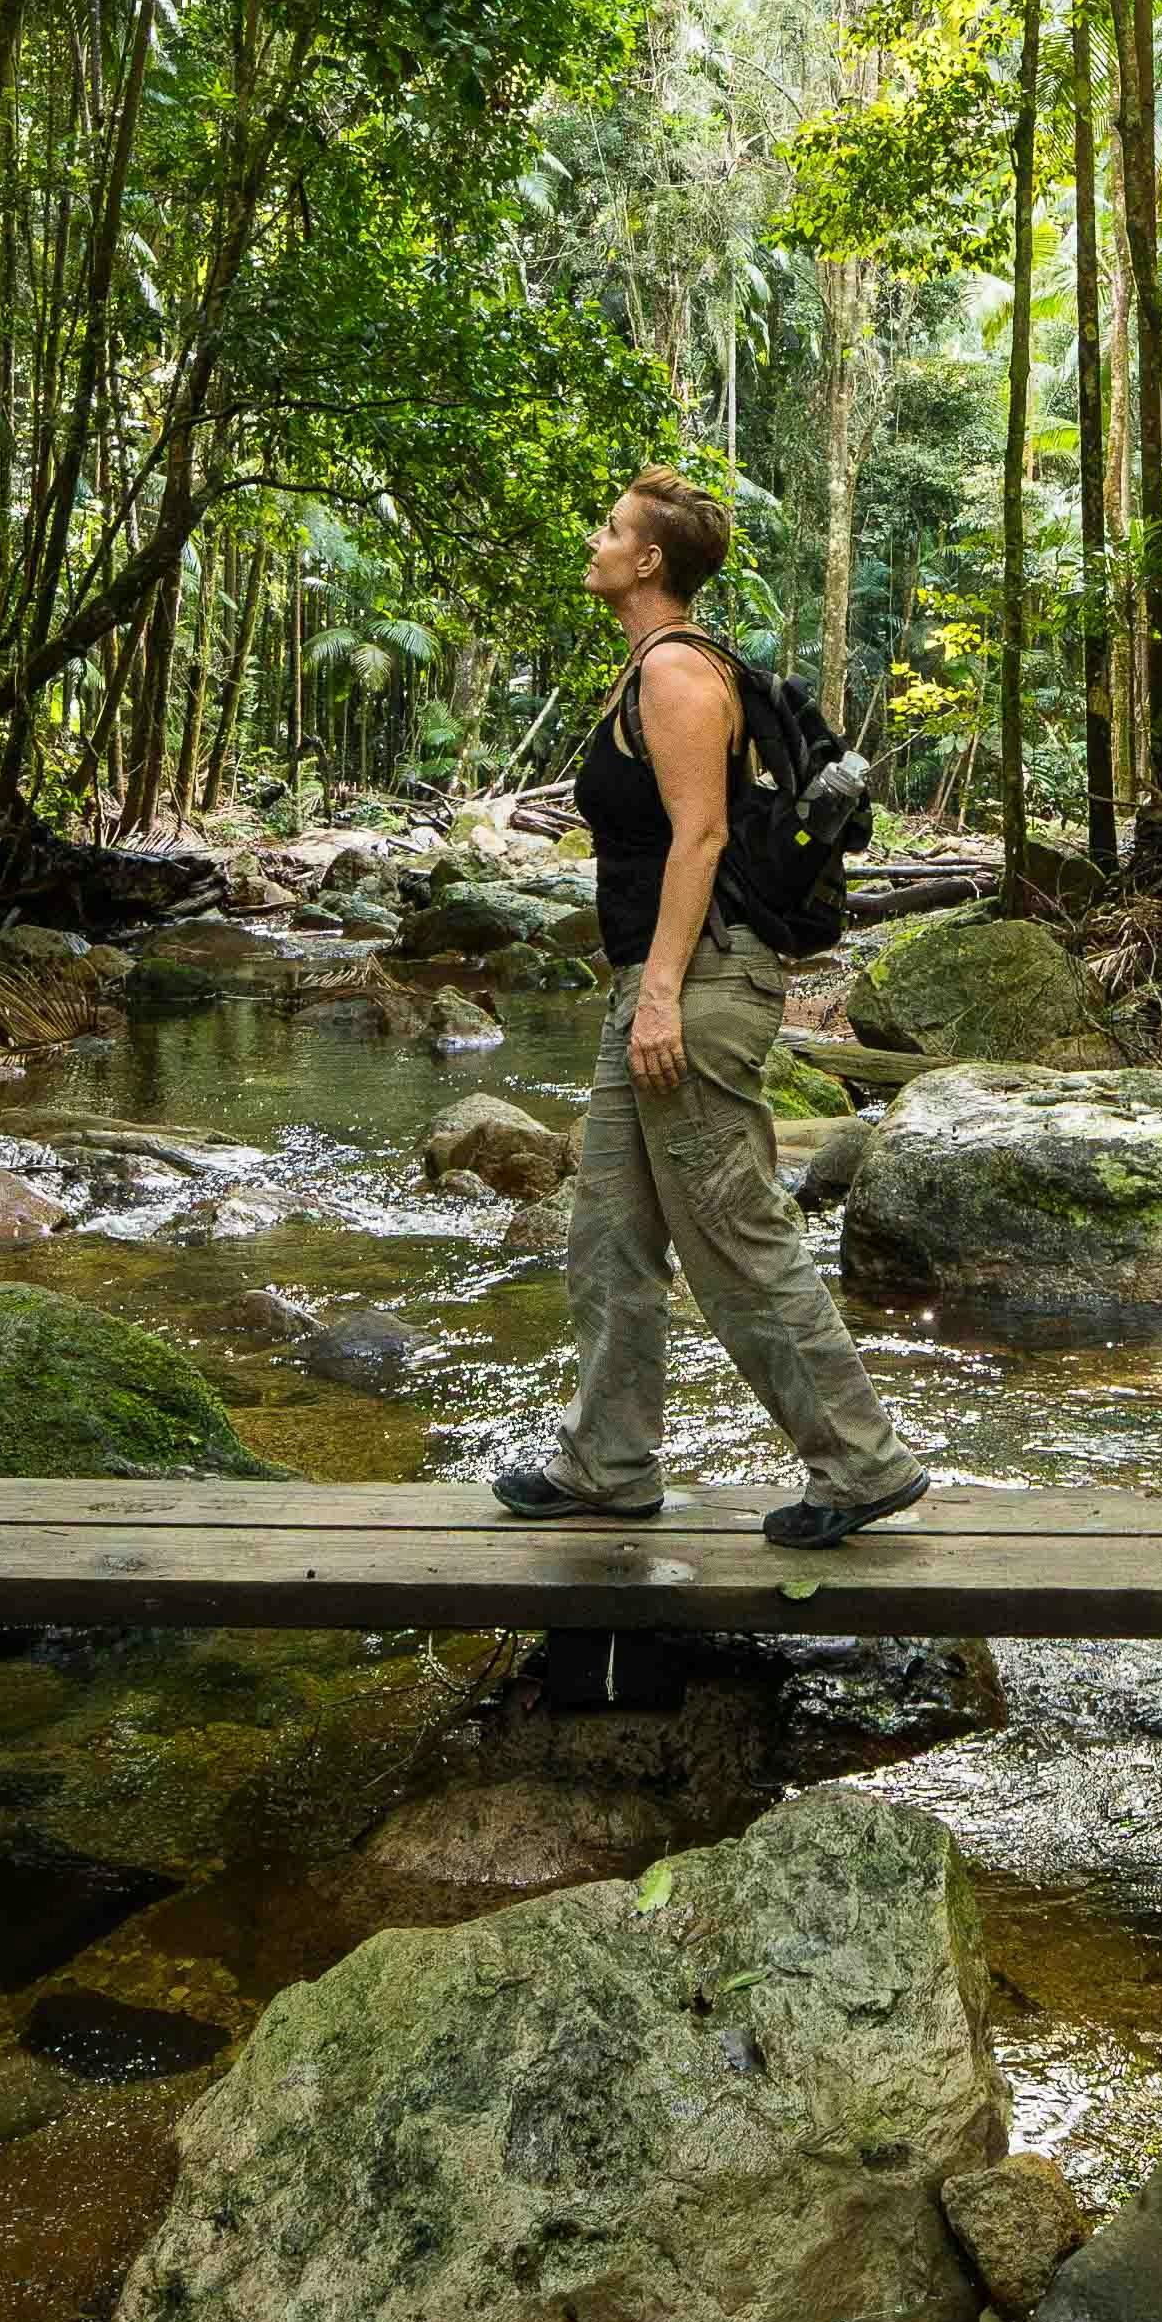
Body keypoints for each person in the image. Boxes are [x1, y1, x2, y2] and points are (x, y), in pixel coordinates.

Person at [486, 467, 930, 1552]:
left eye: (611, 528)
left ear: (648, 563)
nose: (596, 540)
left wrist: (662, 998)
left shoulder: (680, 674)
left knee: (733, 1227)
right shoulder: (655, 667)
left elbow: (701, 838)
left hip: (697, 980)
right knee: (608, 1230)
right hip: (660, 976)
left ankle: (862, 1461)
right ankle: (608, 1460)